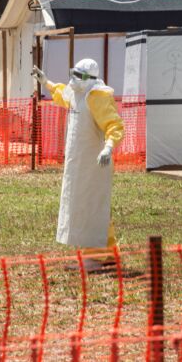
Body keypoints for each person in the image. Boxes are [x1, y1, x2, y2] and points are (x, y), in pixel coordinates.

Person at [32, 58, 124, 273]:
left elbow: (114, 124)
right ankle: (108, 254)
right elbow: (62, 93)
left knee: (91, 205)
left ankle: (95, 257)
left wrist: (109, 147)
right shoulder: (77, 93)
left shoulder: (98, 97)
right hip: (77, 163)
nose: (74, 79)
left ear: (90, 79)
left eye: (80, 75)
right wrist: (46, 82)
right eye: (73, 72)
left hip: (94, 163)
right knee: (82, 206)